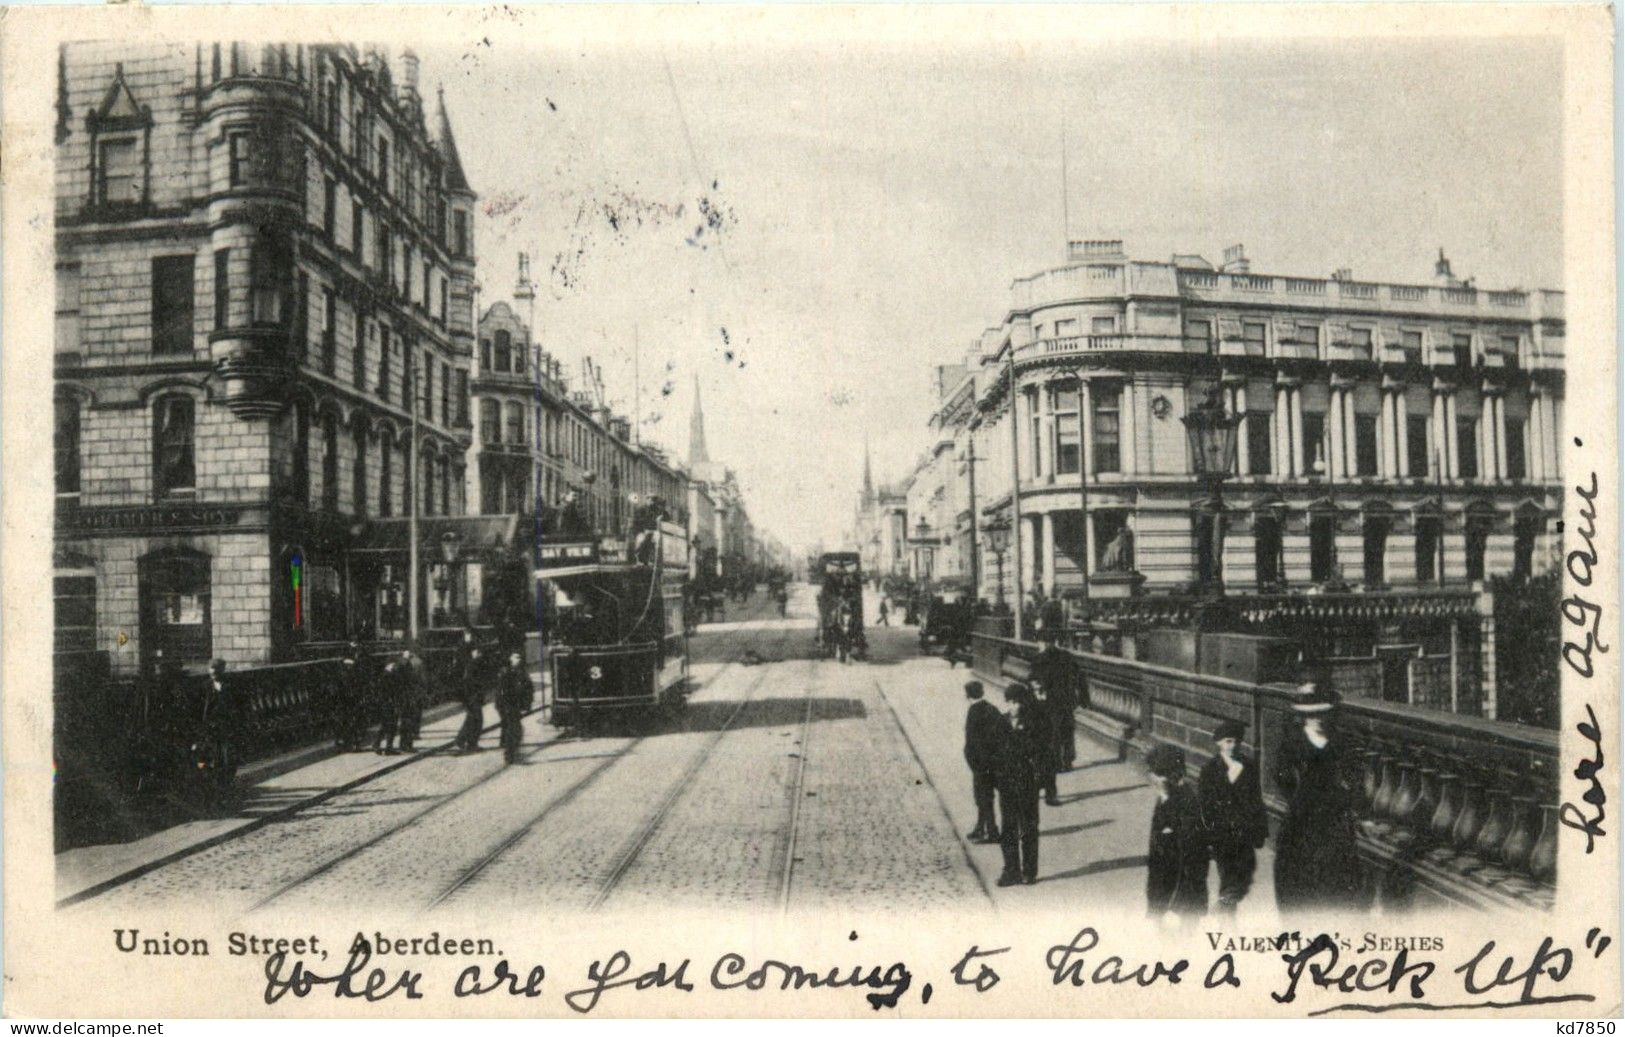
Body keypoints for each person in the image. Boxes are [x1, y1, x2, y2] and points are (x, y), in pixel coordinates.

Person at [1273, 685, 1367, 912]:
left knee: (1336, 870)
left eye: (1322, 713)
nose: (1318, 719)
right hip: (1302, 813)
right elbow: (1280, 774)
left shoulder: (1341, 741)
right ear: (1304, 715)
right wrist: (1296, 796)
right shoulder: (1293, 742)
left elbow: (1355, 775)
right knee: (1298, 868)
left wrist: (1350, 799)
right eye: (1311, 714)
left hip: (1334, 812)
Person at [1197, 719, 1269, 915]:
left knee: (1246, 876)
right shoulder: (1210, 770)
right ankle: (1226, 918)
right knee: (1228, 875)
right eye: (1228, 741)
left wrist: (1260, 830)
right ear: (1219, 743)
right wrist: (1207, 836)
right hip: (1222, 834)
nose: (1233, 746)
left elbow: (1256, 799)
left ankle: (1222, 908)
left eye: (1236, 741)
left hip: (1245, 832)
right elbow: (1204, 805)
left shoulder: (1248, 766)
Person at [1145, 743, 1209, 922]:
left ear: (1169, 777)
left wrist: (1171, 908)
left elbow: (1190, 860)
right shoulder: (1165, 797)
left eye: (1156, 774)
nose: (1151, 778)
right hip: (1163, 892)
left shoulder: (1187, 804)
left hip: (1179, 902)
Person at [995, 681, 1050, 886]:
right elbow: (993, 752)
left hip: (1027, 782)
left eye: (1018, 702)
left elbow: (1043, 753)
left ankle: (1029, 871)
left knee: (1029, 827)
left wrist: (1040, 780)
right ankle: (1010, 870)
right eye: (1011, 702)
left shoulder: (1035, 724)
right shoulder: (1000, 722)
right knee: (1008, 828)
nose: (1015, 706)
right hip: (1007, 783)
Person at [962, 681, 1005, 844]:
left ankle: (992, 832)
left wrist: (972, 762)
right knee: (985, 797)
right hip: (993, 762)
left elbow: (971, 740)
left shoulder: (974, 711)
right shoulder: (991, 708)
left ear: (967, 695)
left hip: (980, 764)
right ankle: (980, 828)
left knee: (983, 798)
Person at [1032, 642, 1077, 775]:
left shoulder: (1039, 659)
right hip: (1067, 700)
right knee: (1067, 730)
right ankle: (1068, 760)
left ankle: (1057, 762)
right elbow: (1078, 676)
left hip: (1051, 701)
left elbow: (1035, 679)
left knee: (1054, 731)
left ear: (1042, 643)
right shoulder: (1067, 656)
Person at [452, 629, 489, 753]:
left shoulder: (475, 663)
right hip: (471, 697)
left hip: (473, 696)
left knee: (473, 718)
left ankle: (465, 741)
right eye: (477, 652)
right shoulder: (471, 665)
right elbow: (469, 682)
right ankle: (467, 742)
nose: (479, 653)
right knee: (476, 719)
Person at [495, 651, 534, 764]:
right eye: (516, 657)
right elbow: (502, 692)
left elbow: (528, 687)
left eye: (519, 657)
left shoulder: (520, 672)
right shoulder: (506, 672)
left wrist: (527, 704)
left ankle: (511, 752)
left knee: (514, 729)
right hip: (507, 705)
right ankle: (509, 754)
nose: (519, 659)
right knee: (513, 730)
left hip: (513, 705)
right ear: (511, 659)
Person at [396, 650, 427, 752]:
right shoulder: (412, 668)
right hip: (410, 699)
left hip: (403, 699)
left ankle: (403, 745)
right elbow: (420, 681)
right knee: (409, 721)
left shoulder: (399, 667)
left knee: (405, 722)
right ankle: (407, 745)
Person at [373, 656, 402, 755]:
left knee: (385, 725)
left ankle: (377, 745)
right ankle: (388, 748)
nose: (395, 667)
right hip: (389, 704)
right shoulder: (387, 675)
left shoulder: (386, 674)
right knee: (391, 725)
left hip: (386, 704)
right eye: (394, 665)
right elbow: (389, 691)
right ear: (390, 664)